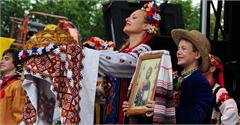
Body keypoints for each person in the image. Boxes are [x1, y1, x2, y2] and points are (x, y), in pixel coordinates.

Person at [19, 1, 162, 125]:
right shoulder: (121, 53)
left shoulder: (144, 51)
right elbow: (109, 93)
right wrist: (81, 87)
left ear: (146, 26)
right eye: (129, 16)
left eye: (134, 17)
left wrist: (78, 54)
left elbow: (126, 64)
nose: (127, 18)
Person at [170, 29, 214, 123]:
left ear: (197, 54)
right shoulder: (177, 80)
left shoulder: (200, 82)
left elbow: (196, 118)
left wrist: (166, 111)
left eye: (183, 48)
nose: (178, 52)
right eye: (178, 48)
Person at [203, 54, 240, 124]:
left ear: (212, 68)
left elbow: (232, 111)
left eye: (202, 63)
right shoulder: (198, 88)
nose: (197, 65)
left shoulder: (218, 91)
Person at [0, 48, 26, 124]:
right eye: (2, 59)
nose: (1, 62)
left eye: (6, 59)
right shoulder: (3, 83)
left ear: (16, 63)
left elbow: (19, 115)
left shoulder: (18, 85)